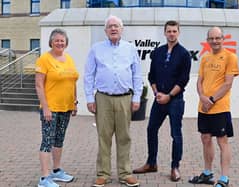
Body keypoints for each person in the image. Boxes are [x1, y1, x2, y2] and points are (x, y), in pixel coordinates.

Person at [84, 15, 142, 187]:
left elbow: (137, 75)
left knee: (124, 137)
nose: (113, 29)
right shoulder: (96, 49)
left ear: (122, 29)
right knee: (104, 137)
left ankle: (125, 173)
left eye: (116, 26)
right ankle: (103, 174)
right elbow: (89, 75)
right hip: (103, 98)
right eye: (110, 26)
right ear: (105, 30)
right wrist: (89, 98)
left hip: (125, 98)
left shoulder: (130, 49)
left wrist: (137, 97)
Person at [133, 20, 191, 182]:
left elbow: (183, 80)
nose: (171, 34)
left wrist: (169, 96)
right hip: (159, 99)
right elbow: (152, 76)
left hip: (175, 101)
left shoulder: (184, 54)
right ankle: (151, 163)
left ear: (178, 33)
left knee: (176, 134)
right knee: (151, 129)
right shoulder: (158, 52)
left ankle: (175, 167)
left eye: (174, 31)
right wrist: (157, 93)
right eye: (169, 31)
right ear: (164, 33)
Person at [188, 27, 239, 187]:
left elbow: (228, 83)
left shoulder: (230, 57)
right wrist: (202, 98)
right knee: (205, 139)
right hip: (203, 107)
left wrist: (210, 100)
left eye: (218, 38)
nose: (215, 41)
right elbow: (199, 81)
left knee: (222, 141)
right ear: (207, 40)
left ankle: (224, 178)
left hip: (220, 108)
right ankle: (207, 173)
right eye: (212, 38)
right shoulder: (205, 58)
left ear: (223, 39)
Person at [35, 28, 79, 187]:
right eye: (57, 40)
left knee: (59, 139)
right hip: (50, 108)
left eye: (62, 40)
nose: (60, 43)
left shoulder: (69, 59)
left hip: (66, 107)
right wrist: (45, 107)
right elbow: (39, 85)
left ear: (66, 43)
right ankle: (44, 178)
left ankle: (56, 171)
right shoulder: (44, 59)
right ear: (51, 42)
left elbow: (73, 81)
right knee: (47, 140)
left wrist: (74, 102)